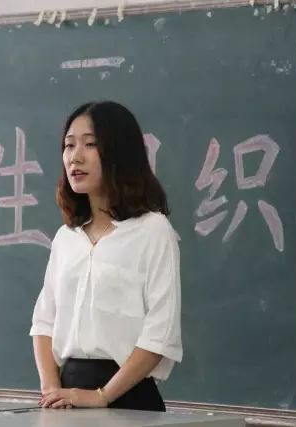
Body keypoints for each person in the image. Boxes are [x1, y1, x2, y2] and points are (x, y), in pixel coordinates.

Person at [29, 101, 182, 411]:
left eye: (90, 144)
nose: (75, 157)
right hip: (67, 397)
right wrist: (51, 389)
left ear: (119, 153)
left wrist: (102, 396)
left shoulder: (152, 230)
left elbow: (160, 332)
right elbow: (44, 322)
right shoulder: (66, 238)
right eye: (69, 145)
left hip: (129, 398)